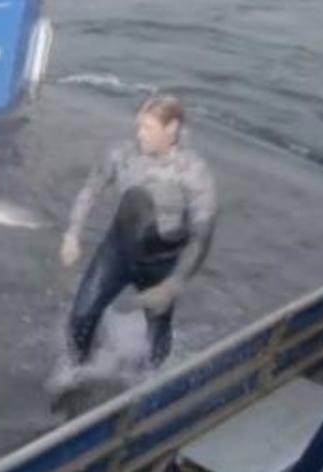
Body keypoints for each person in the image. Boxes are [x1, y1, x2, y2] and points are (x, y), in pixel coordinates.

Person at [58, 92, 218, 375]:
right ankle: (77, 375)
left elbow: (201, 237)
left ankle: (149, 384)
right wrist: (72, 235)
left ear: (172, 129)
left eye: (147, 128)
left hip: (161, 263)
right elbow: (89, 191)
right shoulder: (121, 155)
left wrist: (172, 285)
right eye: (138, 126)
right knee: (80, 316)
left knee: (157, 337)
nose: (139, 134)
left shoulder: (193, 172)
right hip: (117, 251)